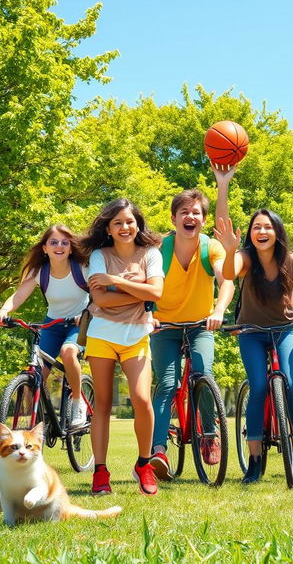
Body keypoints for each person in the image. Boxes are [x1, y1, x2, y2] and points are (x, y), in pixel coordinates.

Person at [215, 209, 293, 484]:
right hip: (251, 331)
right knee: (259, 387)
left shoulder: (292, 260)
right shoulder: (246, 257)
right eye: (256, 228)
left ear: (277, 231)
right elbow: (228, 273)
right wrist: (229, 250)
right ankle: (254, 460)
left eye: (267, 227)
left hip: (284, 330)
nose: (262, 232)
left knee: (291, 386)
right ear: (251, 233)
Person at [150, 169, 236, 481]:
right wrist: (148, 314)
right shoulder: (160, 248)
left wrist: (219, 309)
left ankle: (209, 434)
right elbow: (145, 281)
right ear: (174, 219)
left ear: (203, 219)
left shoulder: (210, 247)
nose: (190, 216)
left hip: (201, 324)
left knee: (204, 372)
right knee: (168, 385)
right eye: (184, 212)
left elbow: (227, 280)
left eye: (196, 212)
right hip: (164, 326)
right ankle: (158, 451)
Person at [81, 199, 164, 496]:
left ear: (138, 224)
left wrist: (116, 282)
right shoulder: (99, 255)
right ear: (108, 228)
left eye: (129, 221)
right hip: (102, 333)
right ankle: (100, 472)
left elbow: (157, 292)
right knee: (102, 404)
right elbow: (101, 301)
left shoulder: (151, 254)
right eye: (117, 222)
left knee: (142, 399)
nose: (125, 227)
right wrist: (139, 291)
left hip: (137, 336)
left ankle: (144, 464)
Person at [0, 225, 89, 428]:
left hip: (79, 324)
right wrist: (4, 311)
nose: (59, 246)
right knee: (37, 374)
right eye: (54, 242)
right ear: (44, 248)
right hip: (52, 324)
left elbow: (98, 295)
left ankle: (77, 402)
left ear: (71, 247)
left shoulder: (81, 267)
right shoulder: (40, 271)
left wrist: (85, 314)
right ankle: (40, 420)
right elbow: (19, 295)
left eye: (65, 242)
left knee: (68, 353)